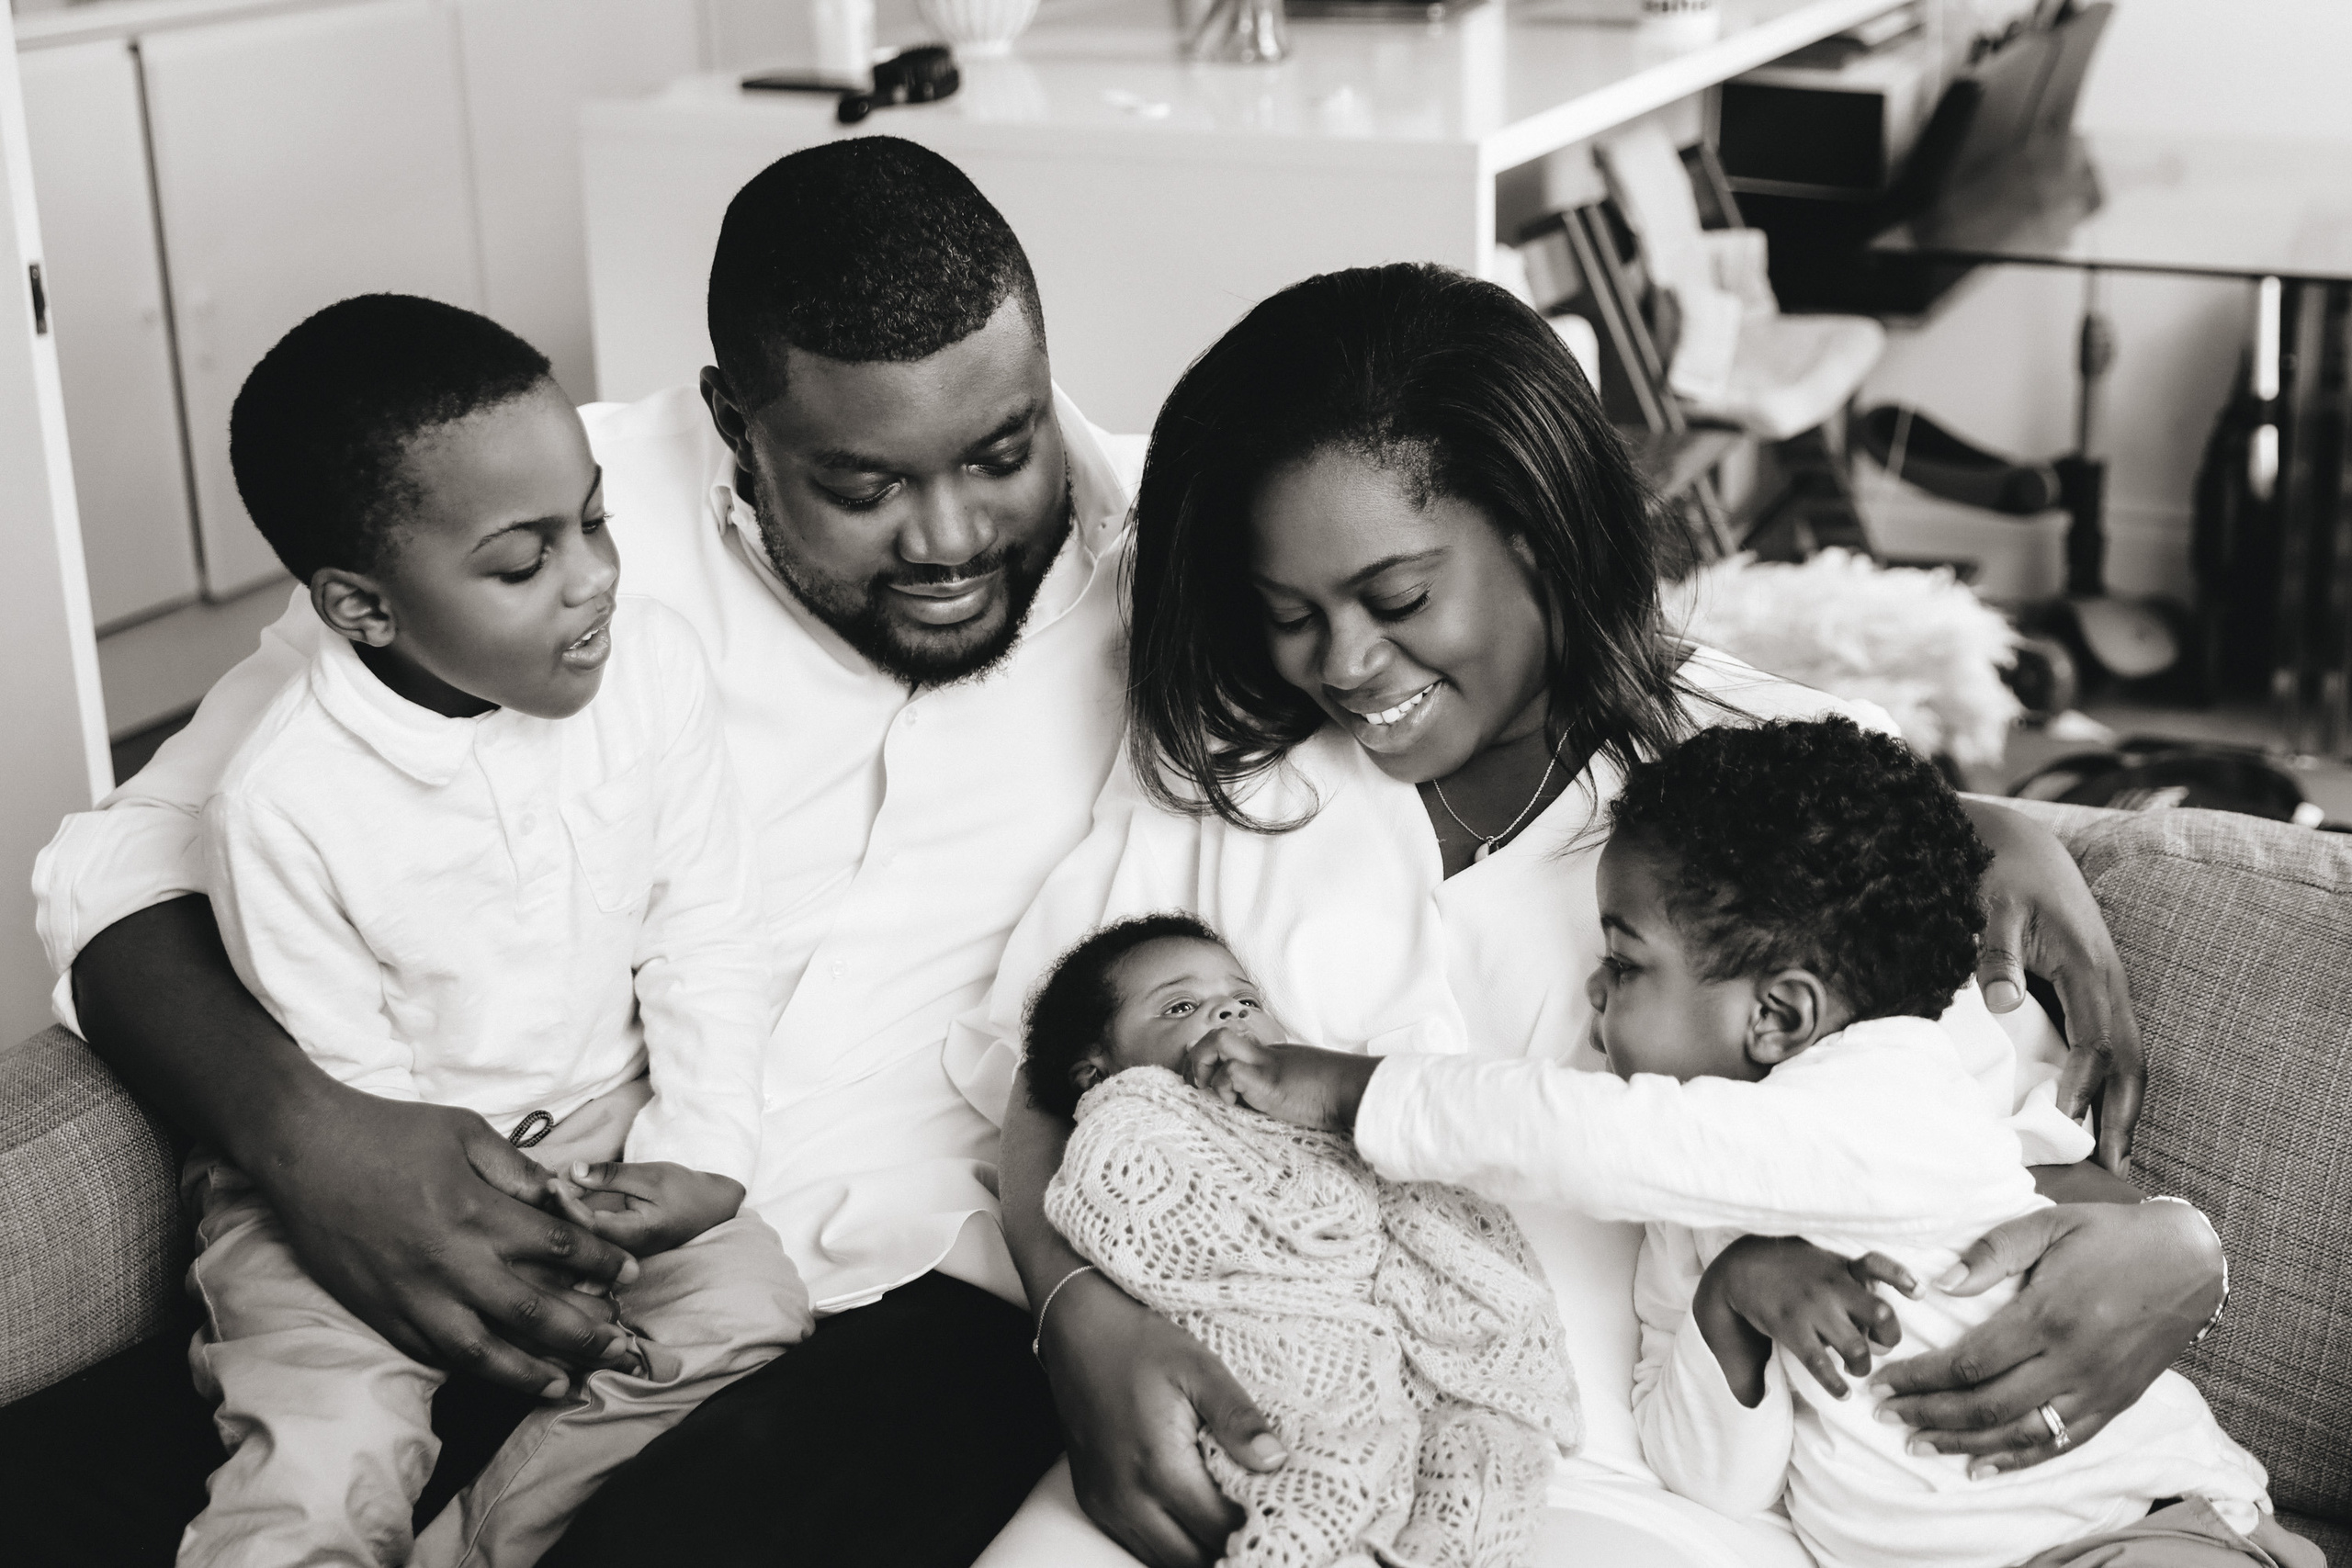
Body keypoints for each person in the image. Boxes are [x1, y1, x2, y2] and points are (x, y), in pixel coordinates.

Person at [960, 262, 2229, 1568]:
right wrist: (1074, 1312)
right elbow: (1059, 1072)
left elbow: (1971, 1166)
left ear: (1542, 530)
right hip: (1311, 1447)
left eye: (1399, 599)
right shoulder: (1234, 789)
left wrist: (2172, 1243)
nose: (1343, 663)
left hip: (1673, 1499)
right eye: (1290, 615)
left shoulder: (1779, 786)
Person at [25, 137, 1127, 1566]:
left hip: (890, 1300)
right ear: (737, 423)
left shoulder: (1182, 564)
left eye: (1002, 453)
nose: (952, 536)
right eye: (863, 487)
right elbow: (121, 866)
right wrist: (314, 1140)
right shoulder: (520, 515)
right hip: (483, 1204)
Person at [1189, 716, 2313, 1568]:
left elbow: (1577, 1135)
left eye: (1624, 963)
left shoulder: (1883, 1100)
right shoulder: (1693, 1222)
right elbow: (1711, 1481)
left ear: (1778, 1015)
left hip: (2139, 1525)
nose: (1592, 994)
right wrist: (1730, 1305)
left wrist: (1356, 1090)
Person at [180, 295, 809, 1568]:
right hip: (367, 1183)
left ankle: (479, 1543)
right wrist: (496, 1230)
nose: (593, 578)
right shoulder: (281, 802)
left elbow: (705, 926)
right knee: (322, 1449)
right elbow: (348, 1110)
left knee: (750, 1309)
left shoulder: (655, 671)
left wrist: (701, 1149)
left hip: (597, 1135)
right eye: (524, 564)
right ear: (362, 608)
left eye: (595, 521)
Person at [1028, 914, 1576, 1568]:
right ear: (1096, 1073)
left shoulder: (1310, 1098)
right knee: (1327, 1471)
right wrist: (1331, 1227)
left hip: (1406, 1362)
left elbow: (1419, 1192)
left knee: (1481, 1461)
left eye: (1245, 999)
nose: (1229, 1011)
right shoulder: (1130, 1122)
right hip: (1276, 1357)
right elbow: (1142, 1226)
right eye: (1180, 1006)